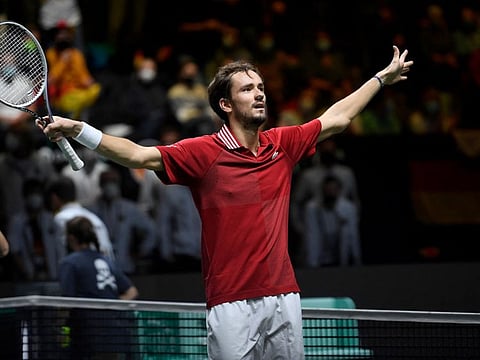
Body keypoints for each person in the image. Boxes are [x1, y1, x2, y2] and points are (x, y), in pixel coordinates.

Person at [38, 45, 413, 359]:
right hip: (231, 302)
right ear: (226, 103)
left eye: (261, 86)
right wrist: (78, 129)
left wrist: (381, 79)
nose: (260, 93)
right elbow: (138, 155)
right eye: (248, 89)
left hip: (285, 295)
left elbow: (338, 117)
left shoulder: (282, 145)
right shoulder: (203, 153)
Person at [59, 215, 138, 359]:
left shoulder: (69, 263)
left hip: (88, 338)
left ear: (71, 238)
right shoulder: (106, 260)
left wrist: (57, 328)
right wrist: (110, 304)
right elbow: (131, 292)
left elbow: (67, 303)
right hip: (117, 335)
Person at [88, 168, 157, 274]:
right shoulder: (92, 210)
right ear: (101, 185)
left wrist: (140, 252)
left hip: (125, 266)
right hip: (100, 267)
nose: (109, 186)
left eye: (113, 182)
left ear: (118, 184)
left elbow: (152, 230)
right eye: (106, 182)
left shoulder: (129, 208)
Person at [45, 175, 115, 261]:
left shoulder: (61, 219)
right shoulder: (94, 217)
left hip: (82, 271)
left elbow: (62, 255)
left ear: (54, 198)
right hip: (104, 270)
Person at [303, 174, 361, 267]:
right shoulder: (312, 208)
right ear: (323, 190)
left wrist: (357, 258)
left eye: (333, 190)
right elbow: (312, 235)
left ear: (339, 190)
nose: (330, 193)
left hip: (340, 253)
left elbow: (353, 234)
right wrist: (312, 263)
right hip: (321, 253)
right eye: (328, 190)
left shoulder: (348, 208)